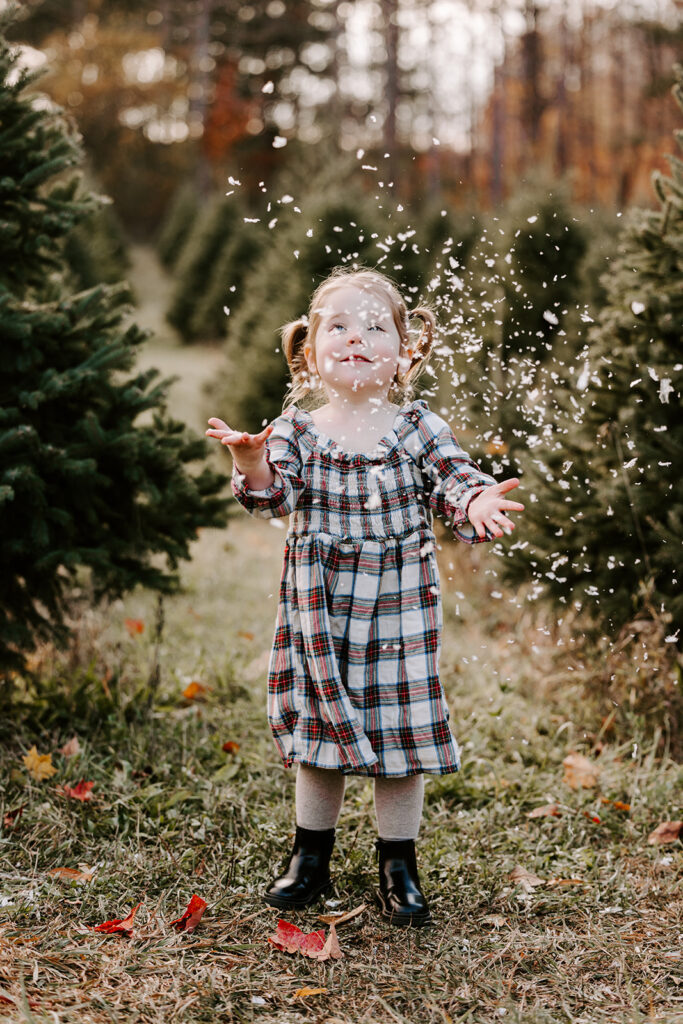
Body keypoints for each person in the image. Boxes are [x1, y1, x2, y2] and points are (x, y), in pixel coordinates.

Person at [206, 266, 524, 927]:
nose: (357, 338)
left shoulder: (416, 427)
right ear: (311, 351)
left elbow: (453, 484)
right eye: (340, 327)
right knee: (321, 732)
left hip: (398, 602)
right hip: (319, 605)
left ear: (406, 351)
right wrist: (250, 463)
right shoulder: (297, 428)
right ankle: (309, 856)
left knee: (400, 733)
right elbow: (274, 496)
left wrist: (476, 499)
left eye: (376, 327)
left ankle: (397, 862)